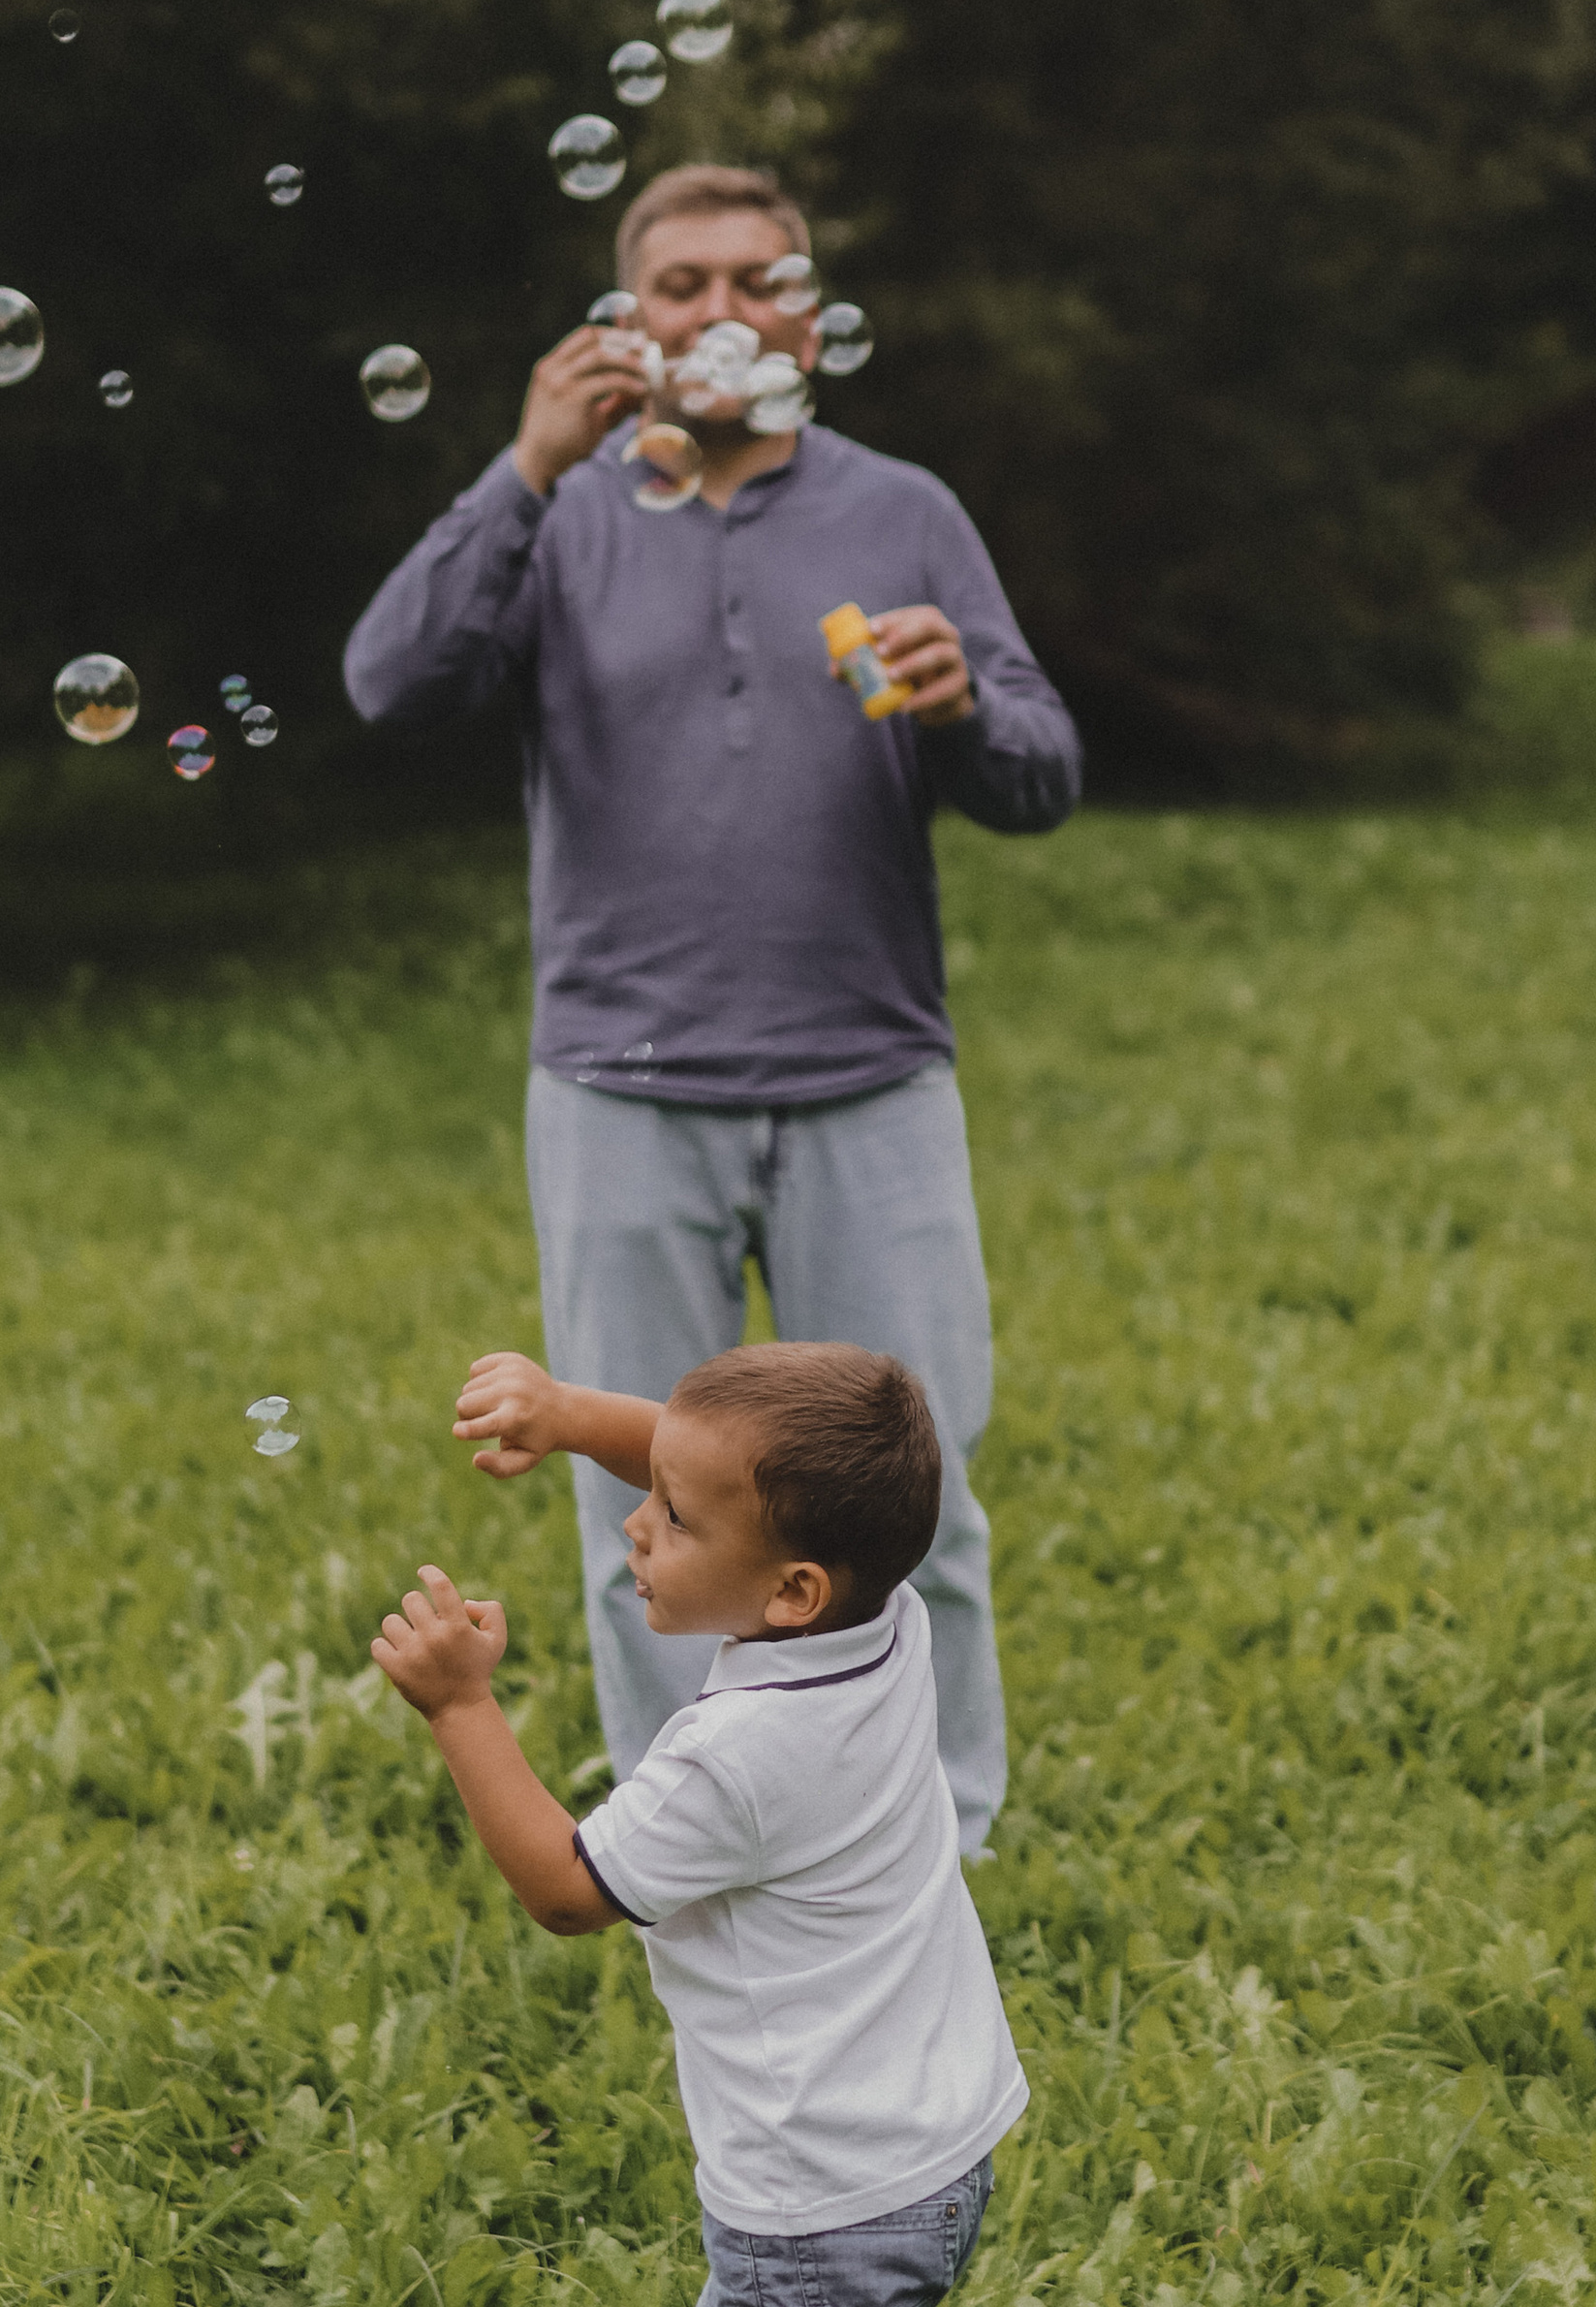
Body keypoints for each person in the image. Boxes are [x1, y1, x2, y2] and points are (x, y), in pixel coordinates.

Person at [342, 163, 1080, 1857]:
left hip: (869, 1079)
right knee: (647, 1495)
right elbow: (391, 684)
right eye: (684, 283)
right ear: (628, 318)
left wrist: (971, 713)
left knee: (925, 1486)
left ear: (812, 316)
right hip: (619, 1081)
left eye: (765, 277)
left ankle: (932, 1831)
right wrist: (524, 464)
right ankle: (692, 1841)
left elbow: (1042, 778)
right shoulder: (564, 511)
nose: (727, 309)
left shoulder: (906, 511)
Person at [371, 1337, 1025, 2307]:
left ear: (788, 1589)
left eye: (668, 1516)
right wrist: (568, 1415)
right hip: (926, 2138)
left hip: (825, 2191)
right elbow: (703, 1446)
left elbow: (563, 1887)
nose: (633, 1528)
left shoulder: (738, 1757)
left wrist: (465, 1709)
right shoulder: (884, 1611)